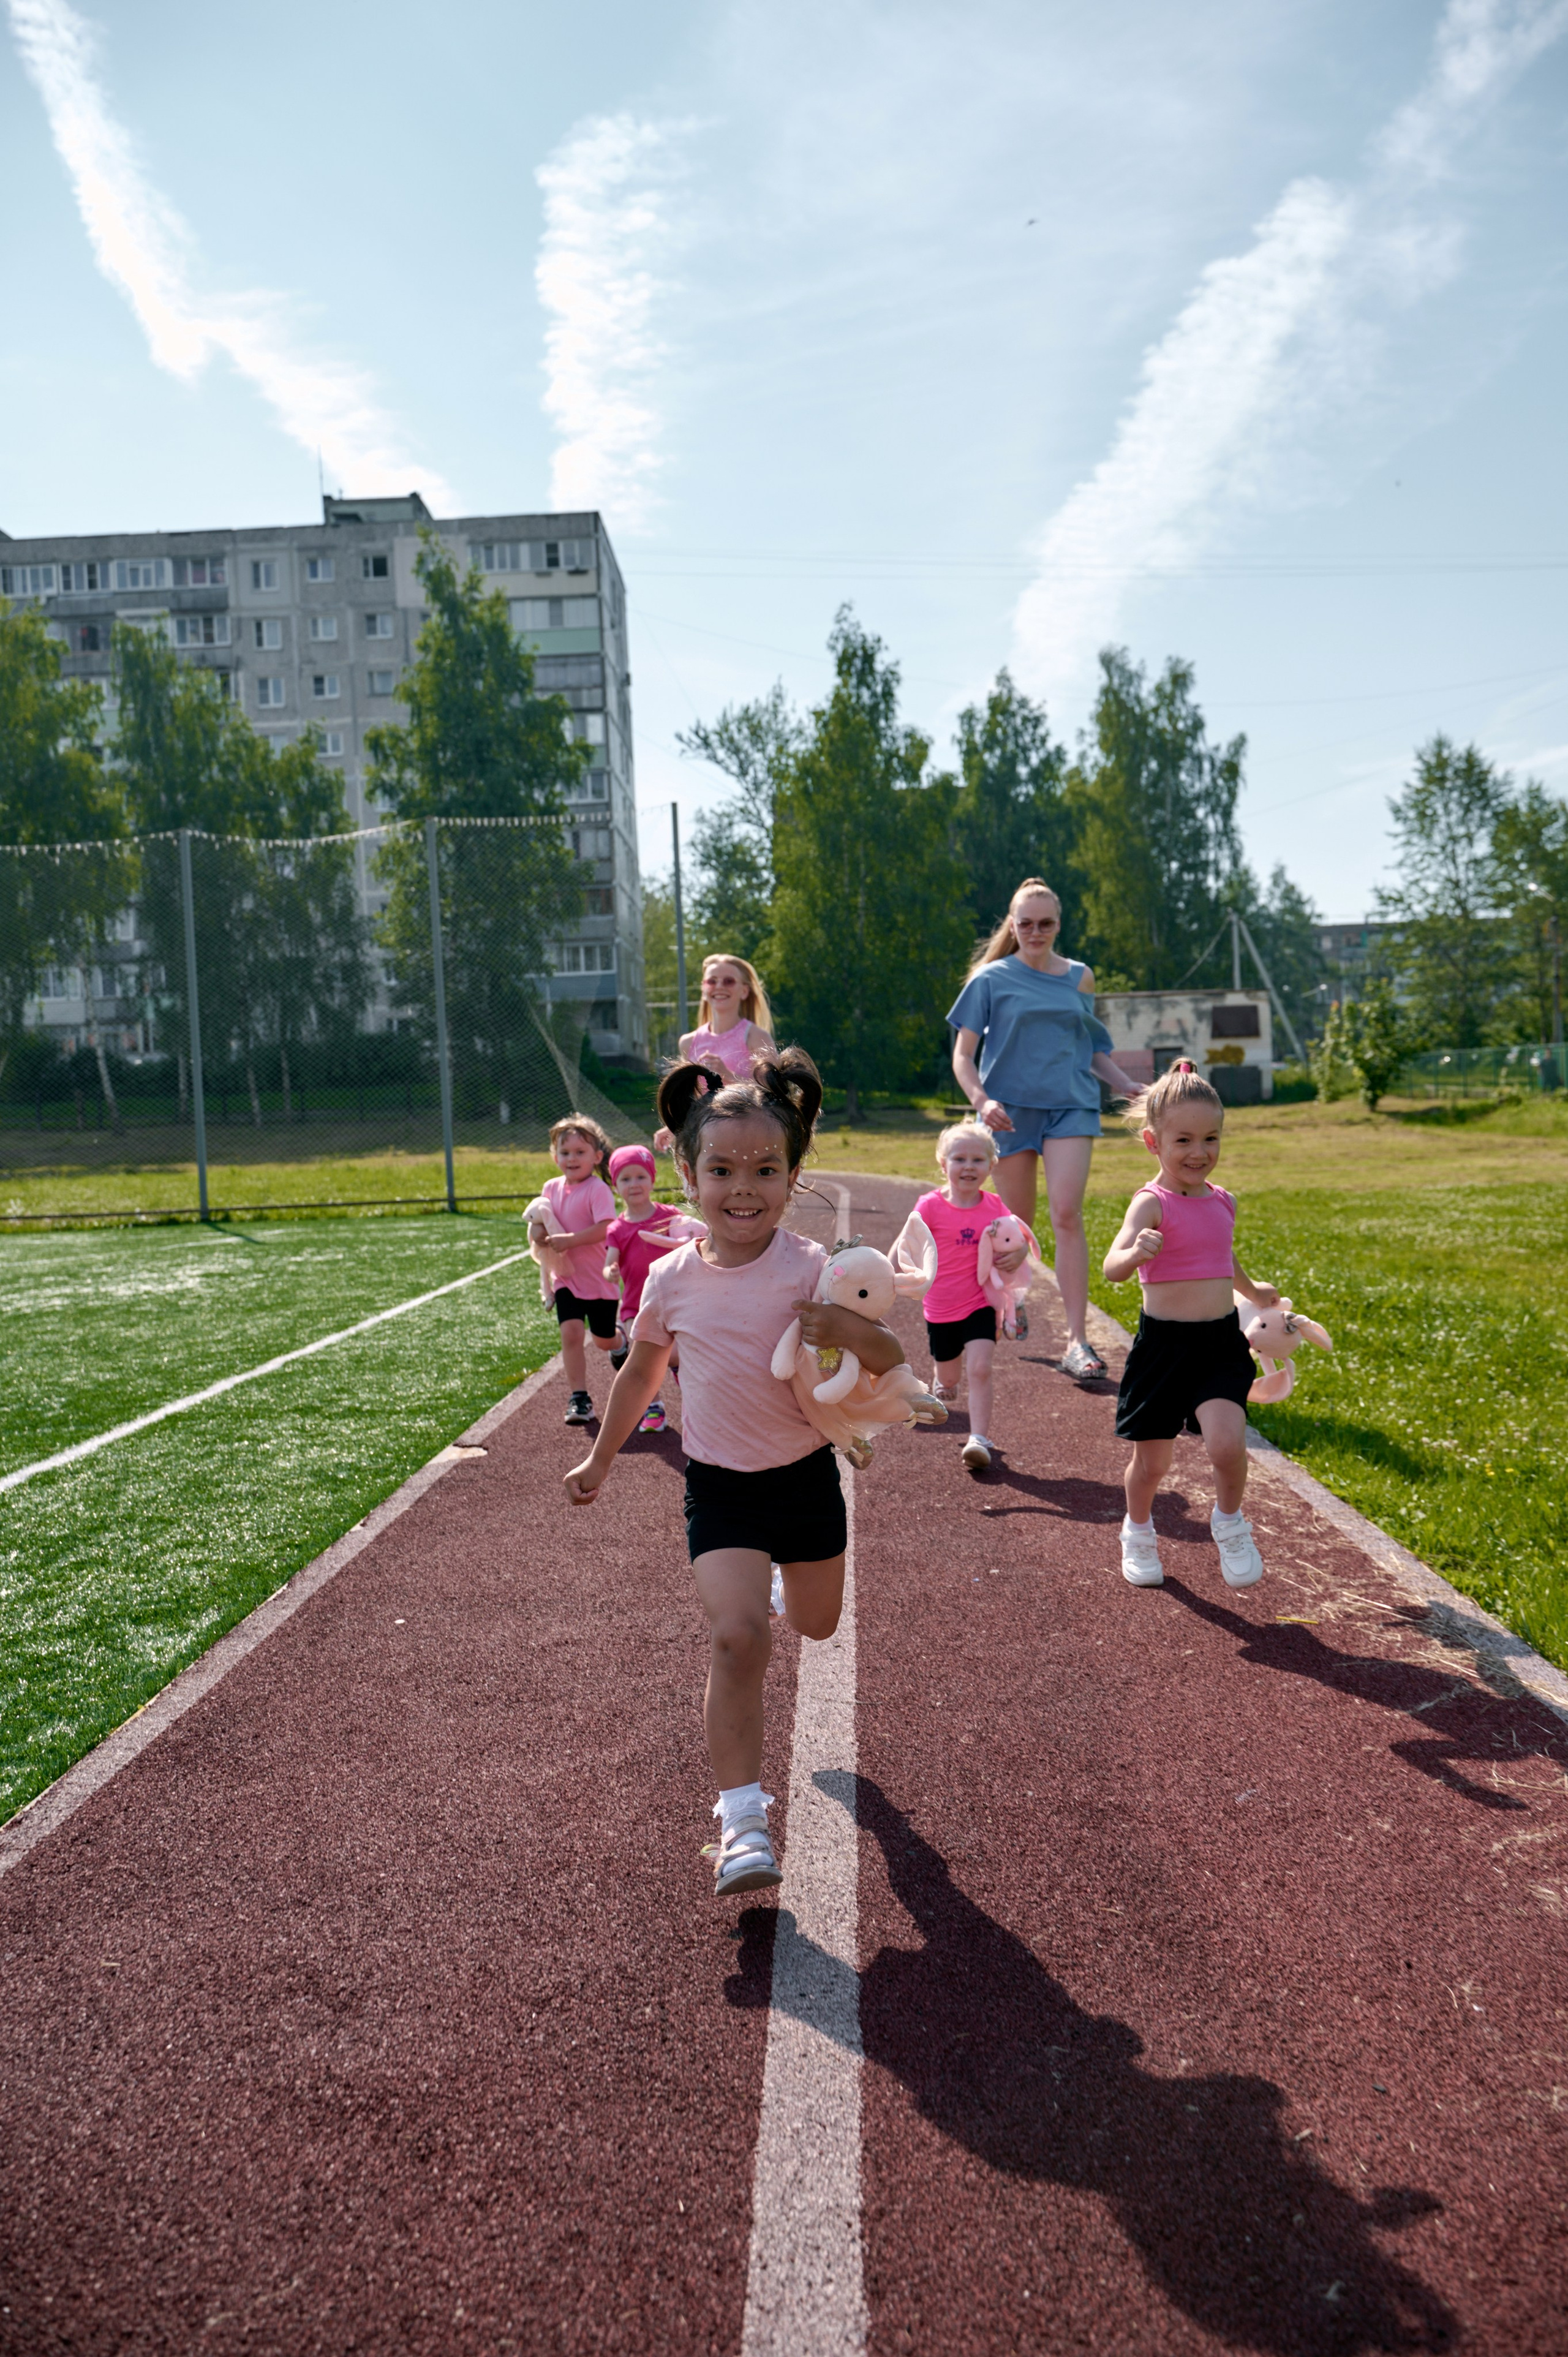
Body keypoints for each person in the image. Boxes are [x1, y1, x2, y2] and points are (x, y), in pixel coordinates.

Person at [564, 1049, 908, 1897]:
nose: (742, 1187)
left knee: (818, 1624)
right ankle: (743, 1822)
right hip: (718, 1490)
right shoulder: (673, 1281)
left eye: (764, 1168)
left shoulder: (810, 1267)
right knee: (736, 1638)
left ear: (794, 1175)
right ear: (687, 1174)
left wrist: (841, 1324)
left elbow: (890, 1353)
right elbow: (640, 1375)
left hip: (804, 1482)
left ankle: (788, 1590)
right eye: (721, 1169)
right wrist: (601, 1457)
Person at [948, 879, 1141, 1383]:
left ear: (1059, 925)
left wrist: (1124, 1084)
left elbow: (1091, 1048)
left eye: (1046, 923)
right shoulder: (990, 979)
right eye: (1026, 923)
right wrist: (982, 1101)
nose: (1036, 932)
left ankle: (1078, 1342)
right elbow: (963, 1056)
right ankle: (1010, 1299)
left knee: (1066, 1213)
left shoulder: (1080, 977)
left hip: (1071, 1107)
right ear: (1013, 926)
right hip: (1007, 1113)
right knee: (1016, 1227)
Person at [1101, 1061, 1280, 1590]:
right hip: (1164, 1349)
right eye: (1183, 1140)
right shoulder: (1150, 1204)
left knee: (1228, 1443)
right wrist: (1135, 1252)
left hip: (1220, 1343)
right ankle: (1137, 1529)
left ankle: (1229, 1522)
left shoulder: (1223, 1200)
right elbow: (1112, 1267)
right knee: (1153, 1463)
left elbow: (1222, 1256)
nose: (1199, 1152)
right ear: (1153, 1142)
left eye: (1210, 1138)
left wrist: (1254, 1293)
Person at [891, 1120, 1027, 1476]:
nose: (969, 1167)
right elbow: (905, 1244)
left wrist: (1021, 1253)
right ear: (943, 1163)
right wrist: (887, 1274)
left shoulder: (996, 1207)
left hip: (981, 1302)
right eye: (960, 1159)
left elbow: (1016, 1239)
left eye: (978, 1160)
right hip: (939, 1306)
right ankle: (943, 1382)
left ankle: (979, 1440)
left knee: (981, 1369)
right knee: (950, 1378)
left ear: (991, 1166)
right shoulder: (930, 1206)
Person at [531, 1114, 619, 1427]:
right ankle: (579, 1398)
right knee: (570, 1333)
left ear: (597, 1157)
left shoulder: (598, 1190)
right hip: (565, 1278)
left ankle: (619, 1343)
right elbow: (538, 1224)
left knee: (603, 1340)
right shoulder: (550, 1188)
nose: (572, 1158)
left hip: (598, 1280)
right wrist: (539, 1237)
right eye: (565, 1152)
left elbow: (607, 1228)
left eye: (580, 1152)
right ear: (555, 1157)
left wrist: (570, 1240)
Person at [603, 1142, 690, 1433]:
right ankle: (653, 1407)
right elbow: (609, 1263)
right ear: (616, 1186)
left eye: (640, 1176)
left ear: (652, 1179)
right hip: (634, 1307)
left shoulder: (670, 1216)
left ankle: (691, 1393)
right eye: (625, 1179)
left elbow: (690, 1244)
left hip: (674, 1301)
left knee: (675, 1355)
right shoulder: (616, 1229)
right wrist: (610, 1272)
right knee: (642, 1362)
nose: (634, 1184)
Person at [652, 955, 777, 1153]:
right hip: (704, 1142)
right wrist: (672, 1127)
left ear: (744, 991)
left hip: (749, 1139)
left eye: (728, 981)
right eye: (712, 981)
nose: (719, 986)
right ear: (703, 989)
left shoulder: (756, 1037)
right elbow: (691, 1101)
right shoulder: (688, 1042)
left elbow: (775, 1096)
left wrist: (728, 1076)